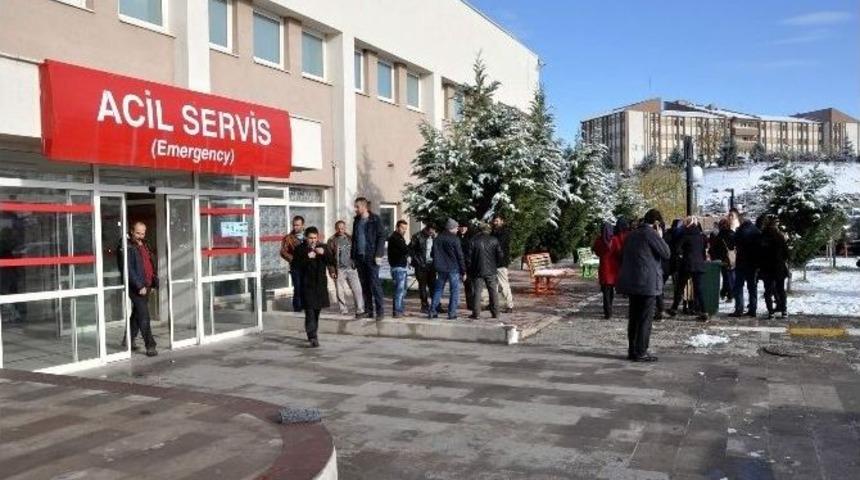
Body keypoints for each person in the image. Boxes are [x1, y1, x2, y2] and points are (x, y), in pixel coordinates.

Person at [617, 209, 670, 363]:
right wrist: (660, 236)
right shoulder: (651, 234)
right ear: (656, 223)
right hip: (648, 284)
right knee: (645, 319)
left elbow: (622, 256)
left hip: (633, 283)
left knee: (633, 317)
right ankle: (641, 351)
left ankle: (632, 350)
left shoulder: (632, 234)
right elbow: (666, 253)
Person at [122, 221, 159, 357]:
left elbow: (150, 263)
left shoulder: (145, 244)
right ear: (132, 231)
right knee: (144, 316)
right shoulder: (126, 245)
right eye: (138, 233)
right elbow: (128, 269)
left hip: (147, 285)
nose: (140, 236)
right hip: (137, 287)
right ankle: (150, 345)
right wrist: (139, 286)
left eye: (143, 233)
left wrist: (153, 283)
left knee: (137, 314)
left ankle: (128, 341)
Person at [291, 227, 329, 348]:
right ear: (306, 238)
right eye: (311, 238)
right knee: (310, 311)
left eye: (315, 238)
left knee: (317, 311)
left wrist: (324, 254)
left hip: (320, 285)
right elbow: (295, 265)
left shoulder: (323, 247)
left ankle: (312, 332)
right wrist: (308, 257)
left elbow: (332, 261)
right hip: (307, 285)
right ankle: (312, 336)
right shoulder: (300, 249)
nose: (313, 240)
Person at [352, 197, 387, 321]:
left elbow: (382, 236)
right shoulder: (356, 220)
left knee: (374, 283)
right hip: (360, 257)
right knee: (364, 285)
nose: (355, 209)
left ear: (364, 207)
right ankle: (368, 310)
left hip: (371, 257)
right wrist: (353, 257)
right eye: (355, 206)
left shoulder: (375, 219)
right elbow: (354, 240)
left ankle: (380, 311)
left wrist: (379, 254)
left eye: (357, 206)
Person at [668, 217, 709, 321]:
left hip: (687, 264)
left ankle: (674, 308)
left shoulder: (685, 235)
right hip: (699, 264)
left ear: (687, 224)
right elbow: (703, 250)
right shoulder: (700, 236)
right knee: (698, 289)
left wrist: (682, 254)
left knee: (680, 287)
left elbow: (677, 249)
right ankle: (704, 311)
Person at [326, 220, 364, 317]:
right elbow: (329, 258)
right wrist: (332, 271)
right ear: (335, 228)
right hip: (339, 269)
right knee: (340, 290)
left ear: (345, 228)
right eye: (338, 228)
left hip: (351, 268)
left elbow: (356, 252)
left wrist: (356, 264)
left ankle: (360, 309)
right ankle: (343, 309)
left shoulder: (350, 238)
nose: (340, 230)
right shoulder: (331, 240)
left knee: (357, 289)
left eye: (342, 228)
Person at [429, 218, 466, 320]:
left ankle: (432, 311)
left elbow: (432, 254)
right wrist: (463, 271)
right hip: (453, 268)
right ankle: (452, 313)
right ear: (452, 228)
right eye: (456, 228)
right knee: (454, 291)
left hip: (440, 268)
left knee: (438, 290)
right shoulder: (455, 239)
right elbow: (460, 256)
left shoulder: (437, 239)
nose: (457, 230)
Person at [466, 223, 503, 319]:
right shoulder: (494, 240)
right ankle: (496, 313)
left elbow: (468, 258)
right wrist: (495, 265)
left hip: (477, 270)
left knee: (477, 292)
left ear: (479, 230)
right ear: (488, 230)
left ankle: (476, 313)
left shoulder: (473, 241)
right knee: (493, 291)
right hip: (491, 270)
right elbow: (500, 255)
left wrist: (470, 268)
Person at [592, 220, 625, 320]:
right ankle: (609, 308)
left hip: (604, 268)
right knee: (610, 291)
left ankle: (607, 311)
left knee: (605, 291)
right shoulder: (614, 240)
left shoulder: (599, 240)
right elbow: (619, 253)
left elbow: (596, 252)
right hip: (613, 269)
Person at [730, 217, 761, 318]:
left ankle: (739, 309)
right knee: (752, 287)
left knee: (738, 286)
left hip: (741, 263)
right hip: (753, 263)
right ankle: (753, 309)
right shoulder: (756, 231)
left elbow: (732, 243)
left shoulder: (739, 231)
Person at [759, 216, 789, 319]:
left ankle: (770, 312)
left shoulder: (762, 237)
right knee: (781, 289)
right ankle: (784, 310)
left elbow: (758, 253)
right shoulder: (779, 236)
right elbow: (786, 253)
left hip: (766, 268)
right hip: (779, 267)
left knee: (768, 290)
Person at [279, 216, 306, 312]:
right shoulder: (288, 238)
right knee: (298, 288)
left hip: (307, 267)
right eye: (294, 225)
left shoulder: (308, 236)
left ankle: (306, 306)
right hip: (296, 267)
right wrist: (293, 259)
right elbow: (283, 252)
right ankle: (297, 308)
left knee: (306, 287)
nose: (295, 227)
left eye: (298, 225)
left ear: (303, 225)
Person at [409, 222, 437, 314]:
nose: (432, 232)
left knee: (433, 286)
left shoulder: (433, 237)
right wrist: (418, 262)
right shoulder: (417, 236)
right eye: (431, 230)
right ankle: (424, 305)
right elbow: (411, 250)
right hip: (421, 265)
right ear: (427, 229)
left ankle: (436, 305)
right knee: (422, 286)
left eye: (434, 231)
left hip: (431, 265)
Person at [491, 214, 515, 313]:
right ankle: (494, 304)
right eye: (494, 221)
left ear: (502, 221)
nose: (495, 223)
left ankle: (509, 305)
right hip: (492, 263)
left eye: (497, 221)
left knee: (504, 284)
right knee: (493, 285)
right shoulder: (494, 232)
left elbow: (498, 246)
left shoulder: (504, 233)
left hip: (501, 263)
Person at [710, 217, 736, 302]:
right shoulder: (733, 233)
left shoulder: (720, 236)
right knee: (731, 276)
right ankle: (727, 293)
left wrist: (713, 257)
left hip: (723, 259)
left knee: (726, 277)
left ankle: (728, 294)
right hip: (732, 258)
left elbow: (714, 248)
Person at [388, 220, 410, 317]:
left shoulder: (400, 237)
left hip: (402, 267)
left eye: (405, 229)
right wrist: (411, 246)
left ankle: (400, 310)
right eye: (402, 228)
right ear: (397, 227)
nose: (404, 230)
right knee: (399, 290)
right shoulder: (395, 237)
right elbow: (405, 249)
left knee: (403, 291)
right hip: (397, 267)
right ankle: (397, 311)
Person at [458, 222, 474, 312]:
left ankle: (471, 304)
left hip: (468, 264)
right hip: (458, 264)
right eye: (461, 227)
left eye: (464, 227)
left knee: (469, 285)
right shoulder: (456, 236)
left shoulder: (471, 237)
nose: (463, 229)